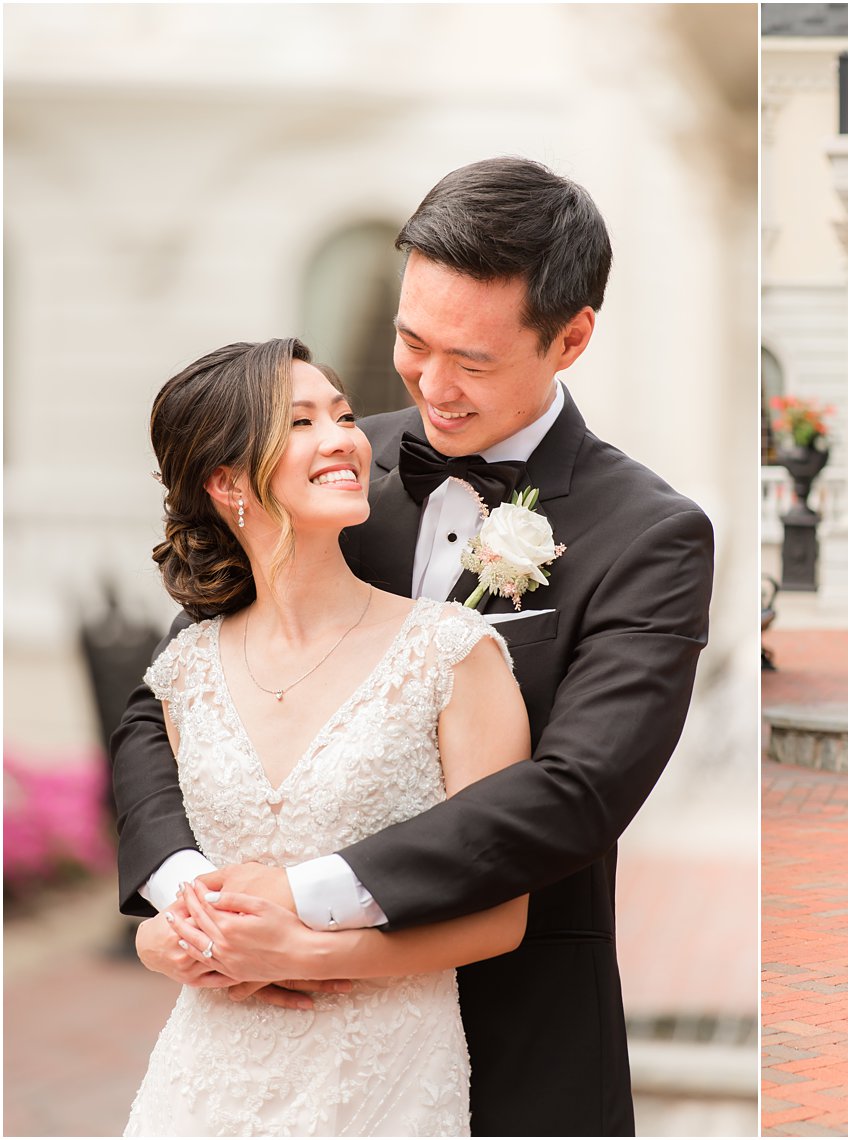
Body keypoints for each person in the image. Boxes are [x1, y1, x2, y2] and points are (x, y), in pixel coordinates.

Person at [113, 157, 717, 1135]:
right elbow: (164, 701)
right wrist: (198, 901)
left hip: (520, 1029)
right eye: (410, 341)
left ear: (569, 339)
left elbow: (577, 790)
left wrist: (302, 907)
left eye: (471, 361)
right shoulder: (332, 466)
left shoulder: (651, 534)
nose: (431, 385)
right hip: (262, 1037)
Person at [124, 338, 529, 1134]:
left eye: (342, 415)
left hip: (381, 1076)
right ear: (226, 481)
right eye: (301, 421)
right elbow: (178, 889)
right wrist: (159, 946)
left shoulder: (451, 652)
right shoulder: (185, 674)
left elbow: (500, 913)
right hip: (206, 1075)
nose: (344, 437)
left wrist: (308, 955)